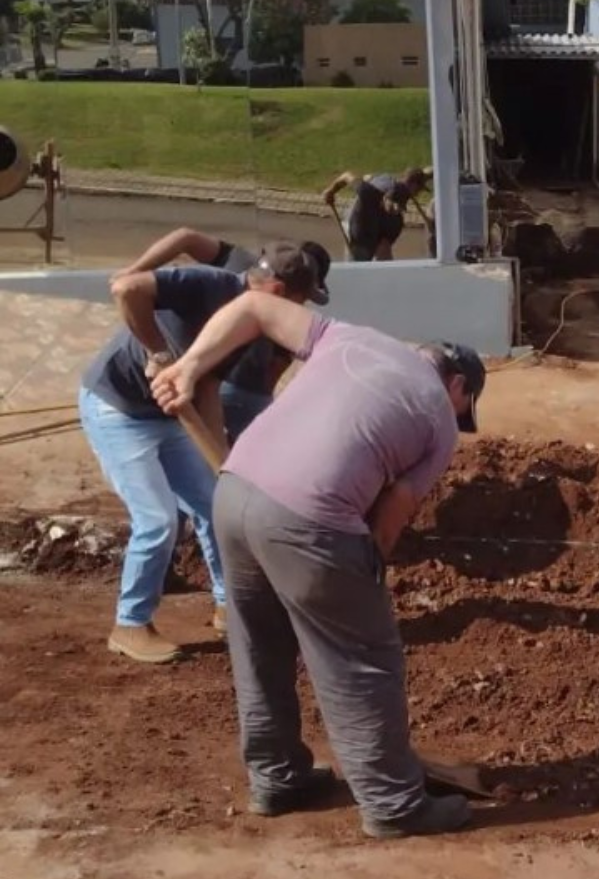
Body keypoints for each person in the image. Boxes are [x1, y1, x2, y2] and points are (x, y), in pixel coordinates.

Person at [149, 292, 485, 837]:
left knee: (259, 642)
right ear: (459, 387)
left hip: (234, 494)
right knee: (362, 658)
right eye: (463, 408)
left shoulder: (348, 335)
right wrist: (359, 579)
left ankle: (277, 777)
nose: (458, 418)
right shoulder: (440, 421)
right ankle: (394, 804)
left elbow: (255, 304)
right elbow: (387, 524)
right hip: (309, 517)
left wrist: (187, 367)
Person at [80, 243, 325, 664]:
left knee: (215, 506)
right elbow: (127, 289)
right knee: (157, 519)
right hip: (117, 409)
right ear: (280, 292)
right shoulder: (210, 285)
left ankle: (228, 606)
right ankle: (130, 623)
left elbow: (209, 390)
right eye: (300, 303)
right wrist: (157, 353)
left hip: (166, 418)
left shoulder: (246, 328)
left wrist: (224, 469)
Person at [111, 228, 335, 440]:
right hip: (236, 389)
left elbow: (186, 237)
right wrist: (158, 353)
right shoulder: (277, 309)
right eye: (303, 297)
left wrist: (135, 269)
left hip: (204, 383)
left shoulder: (242, 264)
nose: (302, 304)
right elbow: (274, 372)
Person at [321, 167, 432, 262]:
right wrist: (331, 190)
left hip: (374, 226)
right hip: (355, 222)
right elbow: (347, 176)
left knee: (383, 258)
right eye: (418, 189)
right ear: (386, 198)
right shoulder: (368, 193)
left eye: (401, 207)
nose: (417, 194)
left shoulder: (396, 221)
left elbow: (384, 247)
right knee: (358, 259)